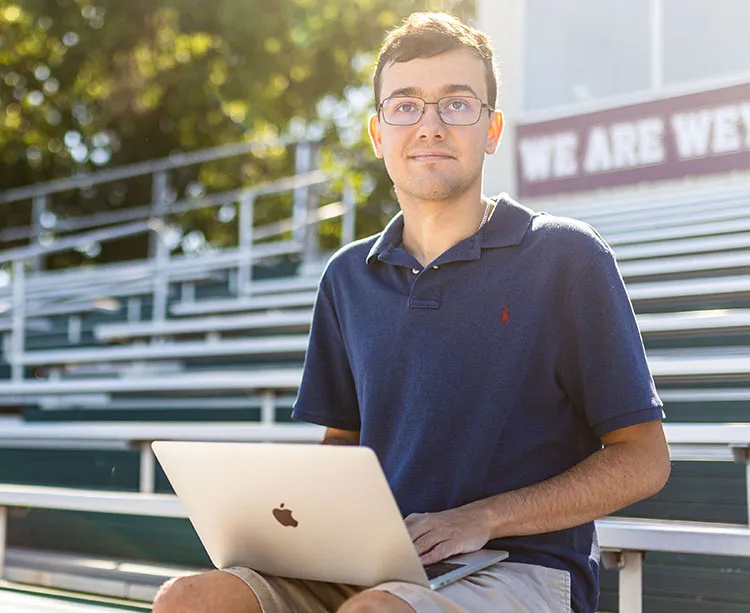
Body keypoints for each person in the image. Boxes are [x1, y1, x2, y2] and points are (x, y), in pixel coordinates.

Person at [153, 12, 670, 613]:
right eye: (405, 106)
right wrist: (299, 533)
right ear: (378, 134)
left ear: (492, 129)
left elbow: (644, 459)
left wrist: (482, 518)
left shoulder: (566, 257)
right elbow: (342, 444)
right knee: (192, 599)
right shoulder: (347, 277)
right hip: (373, 564)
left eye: (457, 105)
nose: (429, 126)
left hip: (517, 566)